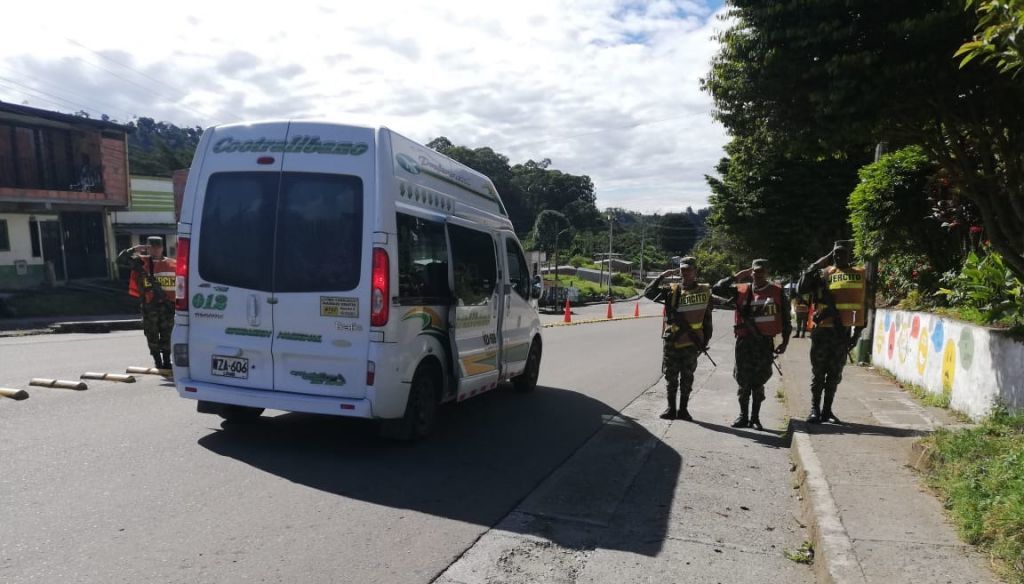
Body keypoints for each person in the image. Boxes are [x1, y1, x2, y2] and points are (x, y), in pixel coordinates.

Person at [712, 259, 791, 430]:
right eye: (755, 271)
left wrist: (785, 341)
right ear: (751, 272)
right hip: (745, 343)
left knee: (759, 381)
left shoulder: (776, 291)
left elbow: (786, 319)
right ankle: (743, 416)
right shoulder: (742, 289)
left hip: (764, 343)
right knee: (743, 380)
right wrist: (739, 275)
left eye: (761, 271)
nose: (758, 274)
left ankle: (755, 418)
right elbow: (717, 288)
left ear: (767, 272)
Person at [796, 240, 866, 424]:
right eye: (835, 252)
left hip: (842, 333)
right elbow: (801, 288)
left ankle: (827, 411)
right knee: (818, 373)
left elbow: (862, 306)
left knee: (834, 375)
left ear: (849, 255)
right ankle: (814, 410)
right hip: (822, 332)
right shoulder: (822, 275)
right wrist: (818, 263)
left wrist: (856, 335)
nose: (838, 255)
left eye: (842, 252)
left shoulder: (858, 275)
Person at [644, 256, 713, 421]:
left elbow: (707, 319)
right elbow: (648, 293)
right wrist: (662, 276)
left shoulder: (704, 292)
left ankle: (683, 410)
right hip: (672, 340)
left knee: (687, 377)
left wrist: (704, 342)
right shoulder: (671, 290)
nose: (685, 272)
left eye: (689, 269)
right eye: (683, 269)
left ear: (695, 271)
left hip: (691, 342)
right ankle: (671, 408)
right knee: (671, 376)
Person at [119, 236, 176, 369]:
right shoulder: (140, 263)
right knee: (152, 334)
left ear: (162, 247)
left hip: (168, 307)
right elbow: (120, 260)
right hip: (149, 306)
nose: (155, 250)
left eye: (158, 247)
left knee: (167, 335)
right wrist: (135, 249)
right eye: (152, 247)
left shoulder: (174, 264)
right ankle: (157, 361)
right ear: (147, 248)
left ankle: (167, 361)